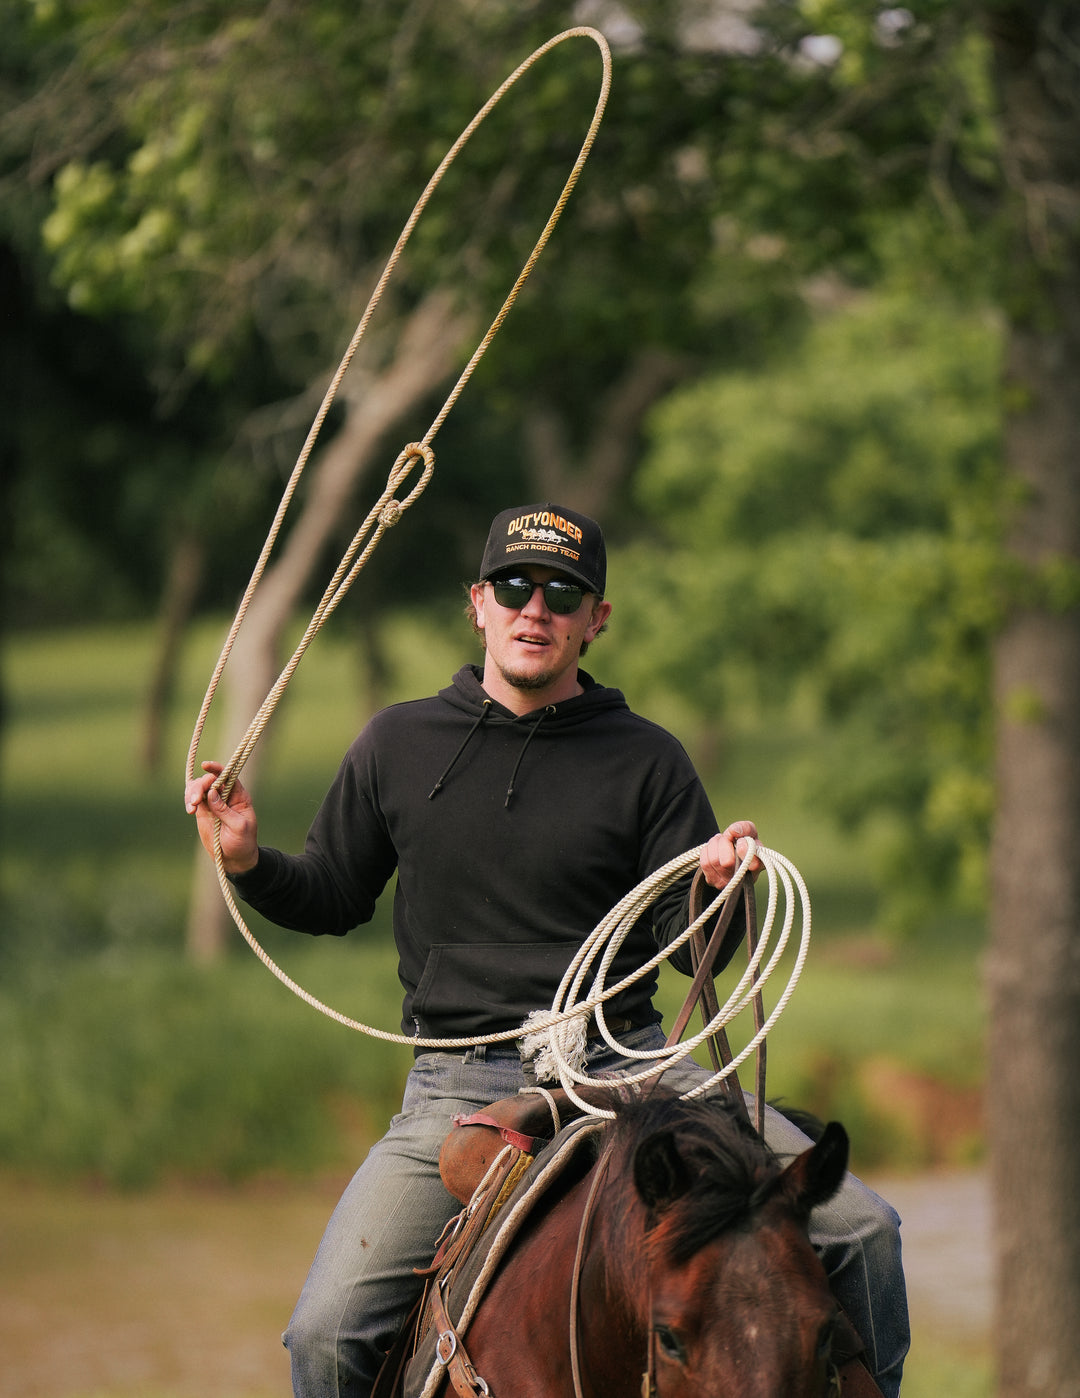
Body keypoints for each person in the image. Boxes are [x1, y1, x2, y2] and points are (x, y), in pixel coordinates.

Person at [185, 502, 909, 1398]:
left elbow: (691, 958)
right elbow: (334, 896)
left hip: (636, 1069)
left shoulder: (649, 760)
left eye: (564, 593)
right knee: (325, 1335)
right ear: (479, 604)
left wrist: (717, 891)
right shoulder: (396, 744)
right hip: (460, 1084)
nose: (538, 610)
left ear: (595, 619)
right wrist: (250, 859)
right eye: (517, 588)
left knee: (864, 1229)